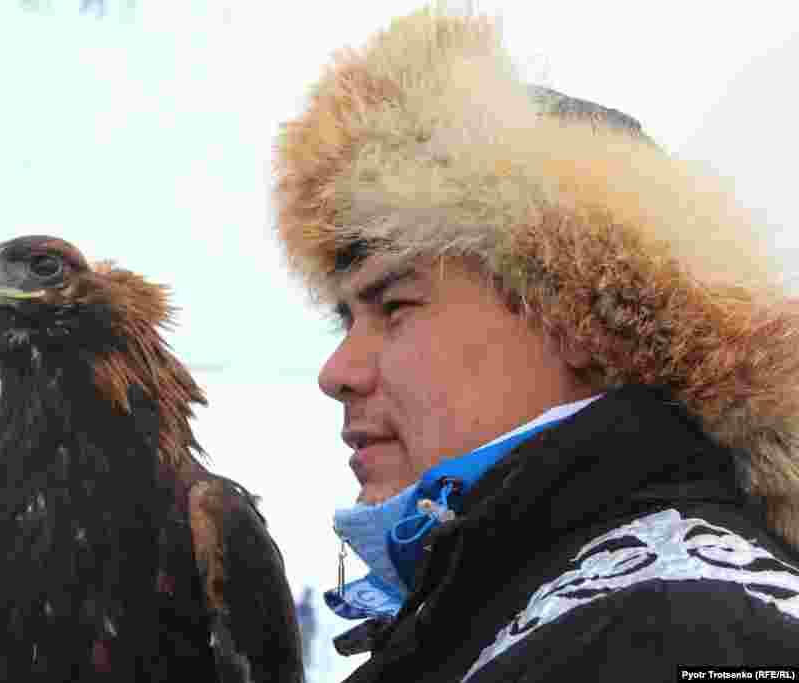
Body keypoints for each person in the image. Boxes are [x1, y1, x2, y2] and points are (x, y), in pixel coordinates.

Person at [271, 5, 799, 682]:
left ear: (578, 319)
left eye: (395, 306)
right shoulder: (515, 613)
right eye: (345, 320)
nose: (335, 371)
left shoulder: (688, 632)